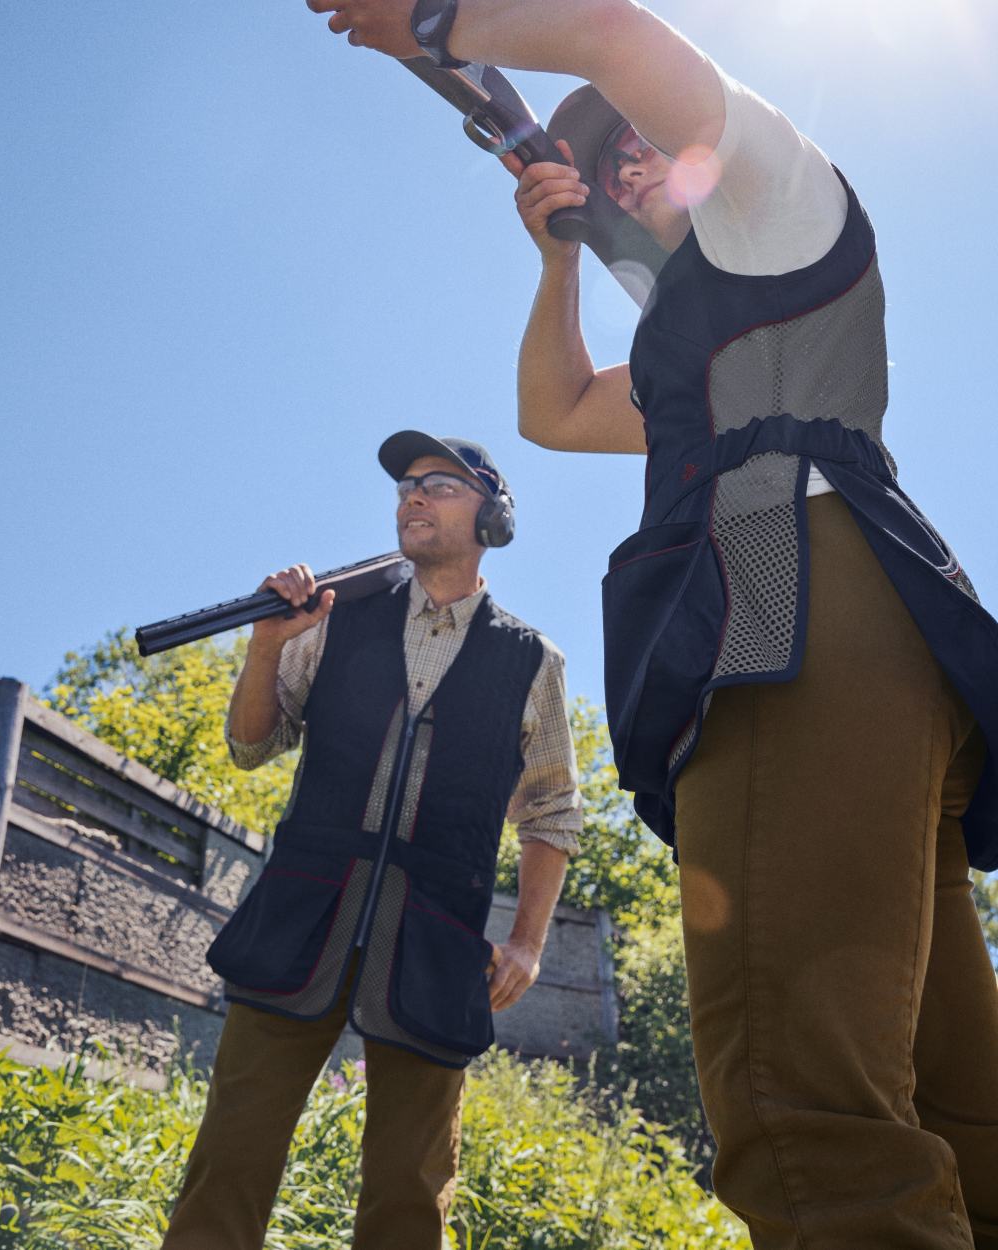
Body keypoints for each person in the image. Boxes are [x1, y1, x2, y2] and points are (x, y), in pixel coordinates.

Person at [307, 2, 998, 1247]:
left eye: (641, 140)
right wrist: (559, 257)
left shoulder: (785, 201)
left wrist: (431, 20)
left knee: (800, 1106)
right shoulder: (700, 329)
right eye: (606, 154)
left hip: (796, 613)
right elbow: (558, 411)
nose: (628, 157)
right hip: (878, 648)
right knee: (955, 1099)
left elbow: (614, 31)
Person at [160, 431, 582, 1250]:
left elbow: (552, 812)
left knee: (409, 1199)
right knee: (227, 1168)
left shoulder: (534, 662)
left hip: (434, 944)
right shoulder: (332, 619)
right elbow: (251, 746)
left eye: (439, 486)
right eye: (405, 486)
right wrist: (266, 644)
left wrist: (528, 944)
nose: (412, 497)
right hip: (296, 925)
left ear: (491, 514)